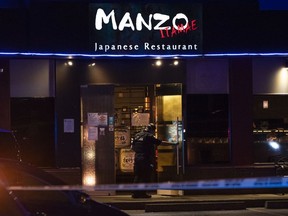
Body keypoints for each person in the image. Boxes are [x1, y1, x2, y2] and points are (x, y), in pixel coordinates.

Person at [131, 123, 162, 198]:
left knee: (137, 176)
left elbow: (132, 147)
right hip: (145, 158)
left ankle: (135, 193)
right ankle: (142, 193)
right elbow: (159, 142)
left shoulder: (137, 135)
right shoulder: (149, 136)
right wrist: (173, 143)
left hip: (137, 158)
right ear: (151, 130)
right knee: (145, 176)